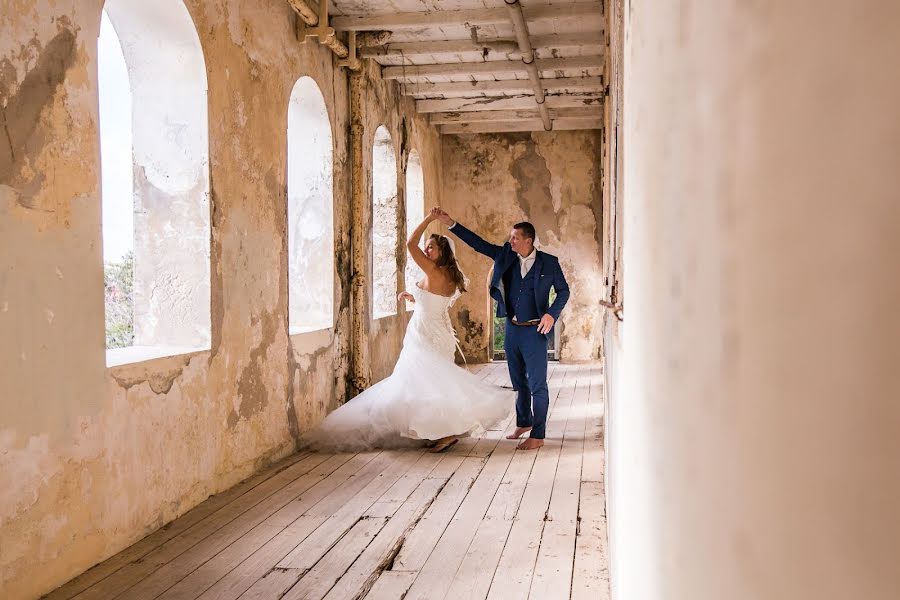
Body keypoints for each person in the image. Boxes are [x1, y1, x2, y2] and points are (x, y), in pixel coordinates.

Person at [303, 208, 512, 453]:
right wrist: (415, 298)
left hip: (424, 333)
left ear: (442, 252)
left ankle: (442, 432)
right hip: (440, 332)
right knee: (433, 383)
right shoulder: (449, 275)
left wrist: (430, 219)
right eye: (428, 247)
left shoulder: (433, 270)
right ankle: (439, 430)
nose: (426, 250)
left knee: (420, 382)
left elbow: (410, 243)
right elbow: (437, 301)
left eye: (431, 247)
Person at [435, 209, 570, 450]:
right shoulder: (506, 255)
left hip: (535, 331)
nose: (510, 241)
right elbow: (478, 244)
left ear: (528, 240)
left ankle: (538, 435)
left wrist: (551, 313)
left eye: (515, 238)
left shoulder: (549, 263)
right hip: (512, 329)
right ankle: (524, 422)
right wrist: (451, 223)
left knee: (538, 384)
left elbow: (564, 291)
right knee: (518, 382)